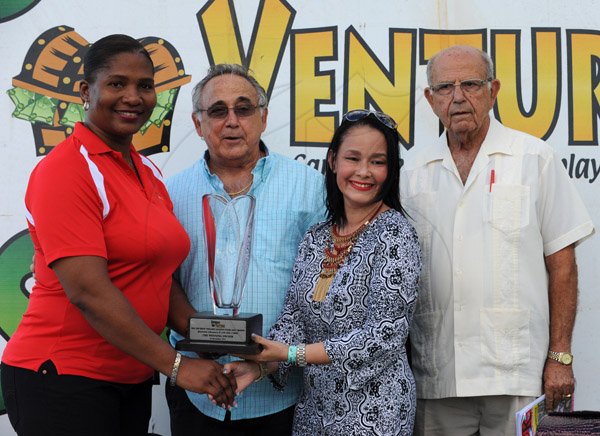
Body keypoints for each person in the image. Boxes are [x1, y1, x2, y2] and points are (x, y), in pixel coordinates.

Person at [0, 34, 236, 436]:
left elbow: (159, 281)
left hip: (129, 378)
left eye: (145, 86)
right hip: (62, 378)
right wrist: (179, 367)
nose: (133, 96)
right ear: (85, 91)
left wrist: (227, 341)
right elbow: (88, 292)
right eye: (116, 84)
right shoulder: (67, 170)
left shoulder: (148, 173)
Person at [400, 45, 595, 435]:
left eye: (470, 84)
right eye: (445, 87)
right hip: (438, 374)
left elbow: (562, 264)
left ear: (493, 91)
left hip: (517, 373)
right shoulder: (412, 171)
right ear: (429, 98)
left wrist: (560, 357)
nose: (458, 97)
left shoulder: (533, 159)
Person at [227, 110, 422, 435]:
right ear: (333, 161)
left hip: (375, 411)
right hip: (315, 408)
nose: (364, 172)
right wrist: (261, 367)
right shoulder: (317, 236)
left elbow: (386, 333)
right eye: (353, 158)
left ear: (390, 170)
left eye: (377, 161)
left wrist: (292, 353)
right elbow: (294, 318)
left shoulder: (395, 232)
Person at [165, 63, 326, 435]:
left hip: (280, 391)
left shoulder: (310, 187)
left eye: (244, 108)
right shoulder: (170, 194)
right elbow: (160, 282)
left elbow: (322, 287)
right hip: (196, 388)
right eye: (218, 110)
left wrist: (271, 360)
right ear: (198, 123)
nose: (232, 121)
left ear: (264, 116)